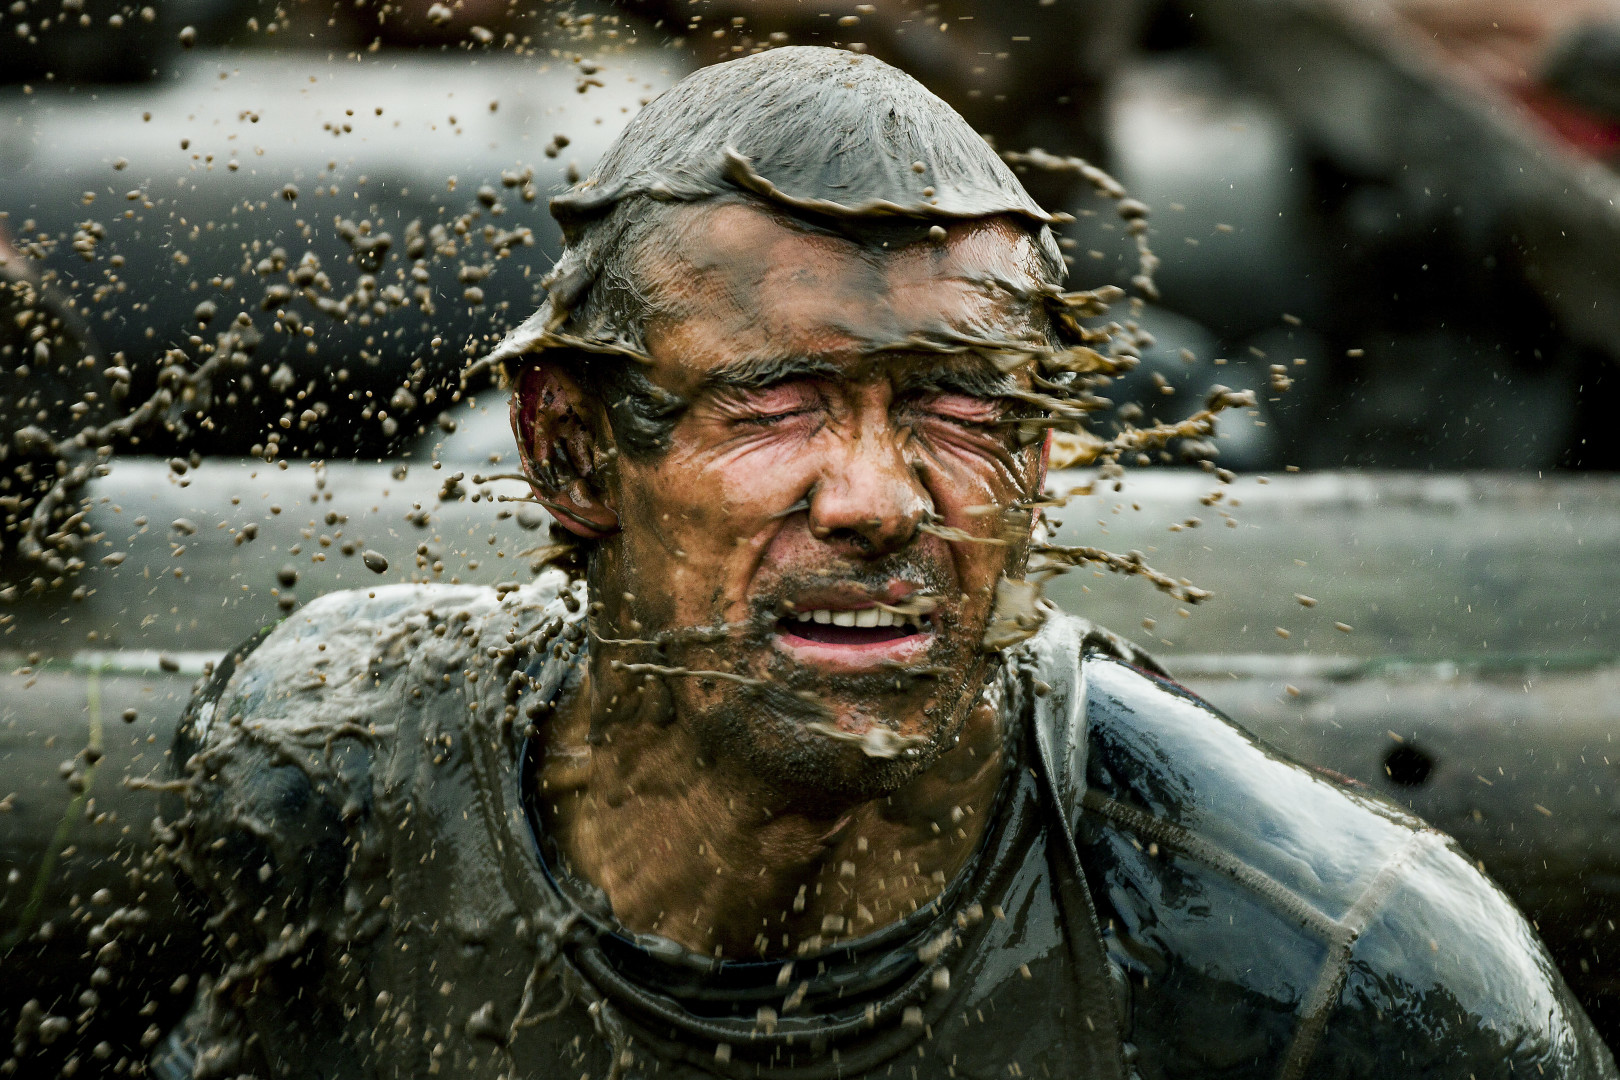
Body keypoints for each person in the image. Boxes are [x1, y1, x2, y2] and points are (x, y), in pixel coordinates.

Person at [160, 47, 1617, 1080]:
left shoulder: (1327, 965)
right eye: (772, 401)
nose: (875, 499)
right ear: (571, 453)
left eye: (959, 407)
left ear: (1042, 460)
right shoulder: (331, 769)